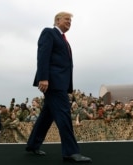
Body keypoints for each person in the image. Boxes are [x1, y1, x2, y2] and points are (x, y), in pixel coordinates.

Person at [26, 11, 92, 162]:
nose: (69, 22)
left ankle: (32, 145)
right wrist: (43, 78)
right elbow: (43, 55)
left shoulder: (64, 39)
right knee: (64, 115)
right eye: (67, 19)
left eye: (71, 21)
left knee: (46, 116)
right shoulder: (49, 32)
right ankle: (70, 152)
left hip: (60, 83)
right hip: (53, 82)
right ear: (57, 20)